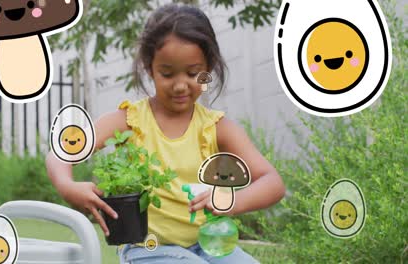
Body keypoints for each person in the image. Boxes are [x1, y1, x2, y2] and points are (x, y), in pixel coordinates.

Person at [46, 3, 285, 264]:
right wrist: (67, 186)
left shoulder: (216, 127)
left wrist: (233, 199)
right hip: (146, 247)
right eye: (167, 73)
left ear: (208, 69)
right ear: (150, 68)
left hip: (208, 244)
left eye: (193, 73)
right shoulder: (129, 121)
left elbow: (272, 182)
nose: (181, 85)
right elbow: (60, 153)